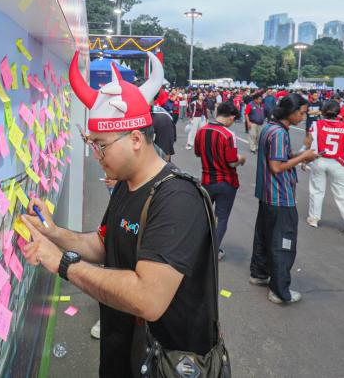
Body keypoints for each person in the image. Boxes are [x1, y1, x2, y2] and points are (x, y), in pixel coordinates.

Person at [22, 52, 219, 377]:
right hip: (125, 350)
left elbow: (148, 298)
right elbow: (104, 245)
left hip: (166, 362)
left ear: (137, 139)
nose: (95, 154)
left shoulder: (177, 199)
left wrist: (62, 263)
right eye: (91, 142)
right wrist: (52, 232)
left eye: (101, 144)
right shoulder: (127, 187)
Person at [249, 95, 319, 304]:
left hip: (267, 194)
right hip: (280, 195)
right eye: (302, 112)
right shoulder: (279, 133)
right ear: (291, 112)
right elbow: (277, 166)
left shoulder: (270, 128)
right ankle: (280, 290)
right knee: (283, 242)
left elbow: (278, 159)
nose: (303, 116)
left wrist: (298, 155)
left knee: (264, 236)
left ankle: (259, 273)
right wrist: (304, 157)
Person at [195, 102, 246, 260]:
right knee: (221, 218)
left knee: (206, 216)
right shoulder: (228, 135)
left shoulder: (201, 131)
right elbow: (231, 162)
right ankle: (213, 252)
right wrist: (241, 160)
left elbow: (197, 153)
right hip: (225, 181)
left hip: (206, 180)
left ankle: (199, 247)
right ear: (230, 117)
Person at [303, 100, 344, 236]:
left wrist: (305, 159)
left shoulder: (316, 124)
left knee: (317, 191)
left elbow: (308, 143)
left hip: (320, 159)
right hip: (338, 162)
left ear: (323, 111)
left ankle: (314, 218)